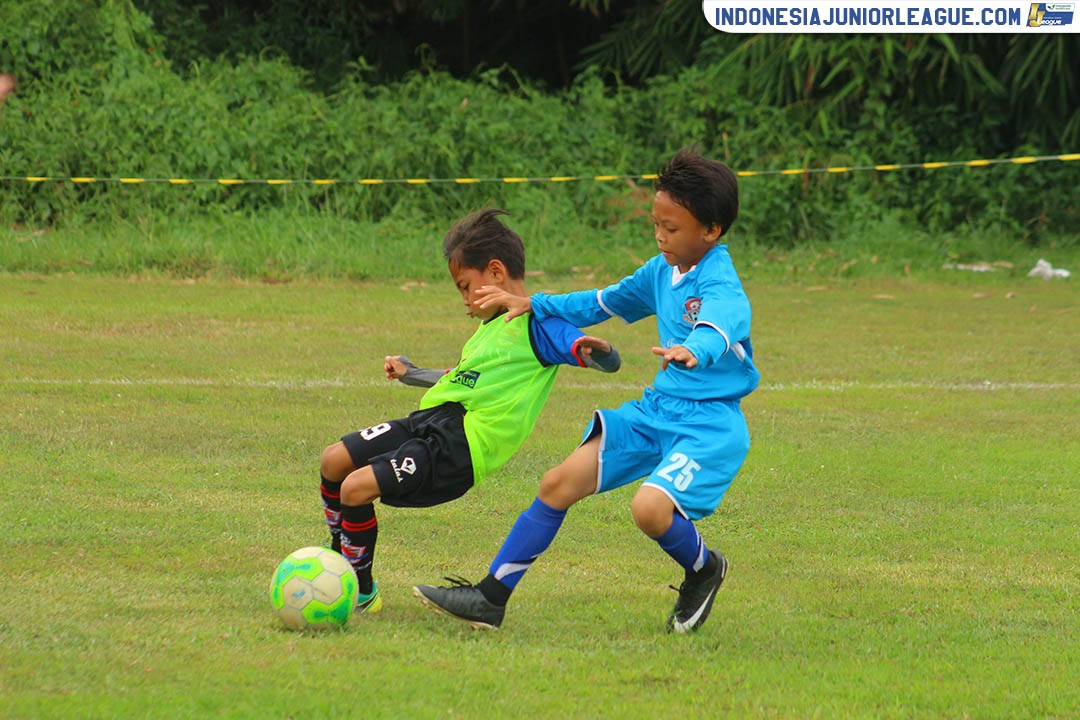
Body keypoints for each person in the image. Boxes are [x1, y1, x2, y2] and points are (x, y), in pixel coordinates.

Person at [413, 149, 759, 633]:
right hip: (657, 410)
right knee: (558, 482)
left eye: (672, 228)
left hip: (708, 424)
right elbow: (602, 302)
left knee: (649, 509)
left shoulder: (720, 280)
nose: (660, 236)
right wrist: (532, 302)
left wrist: (696, 350)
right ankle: (491, 598)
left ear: (712, 231)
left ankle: (704, 568)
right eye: (656, 224)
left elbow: (723, 321)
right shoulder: (662, 270)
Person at [318, 208, 621, 614]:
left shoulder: (536, 323)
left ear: (495, 272)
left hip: (461, 444)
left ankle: (359, 591)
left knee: (355, 488)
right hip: (431, 421)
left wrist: (594, 351)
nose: (463, 300)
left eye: (465, 287)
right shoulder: (487, 330)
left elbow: (589, 351)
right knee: (334, 460)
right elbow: (463, 379)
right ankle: (338, 559)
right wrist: (413, 373)